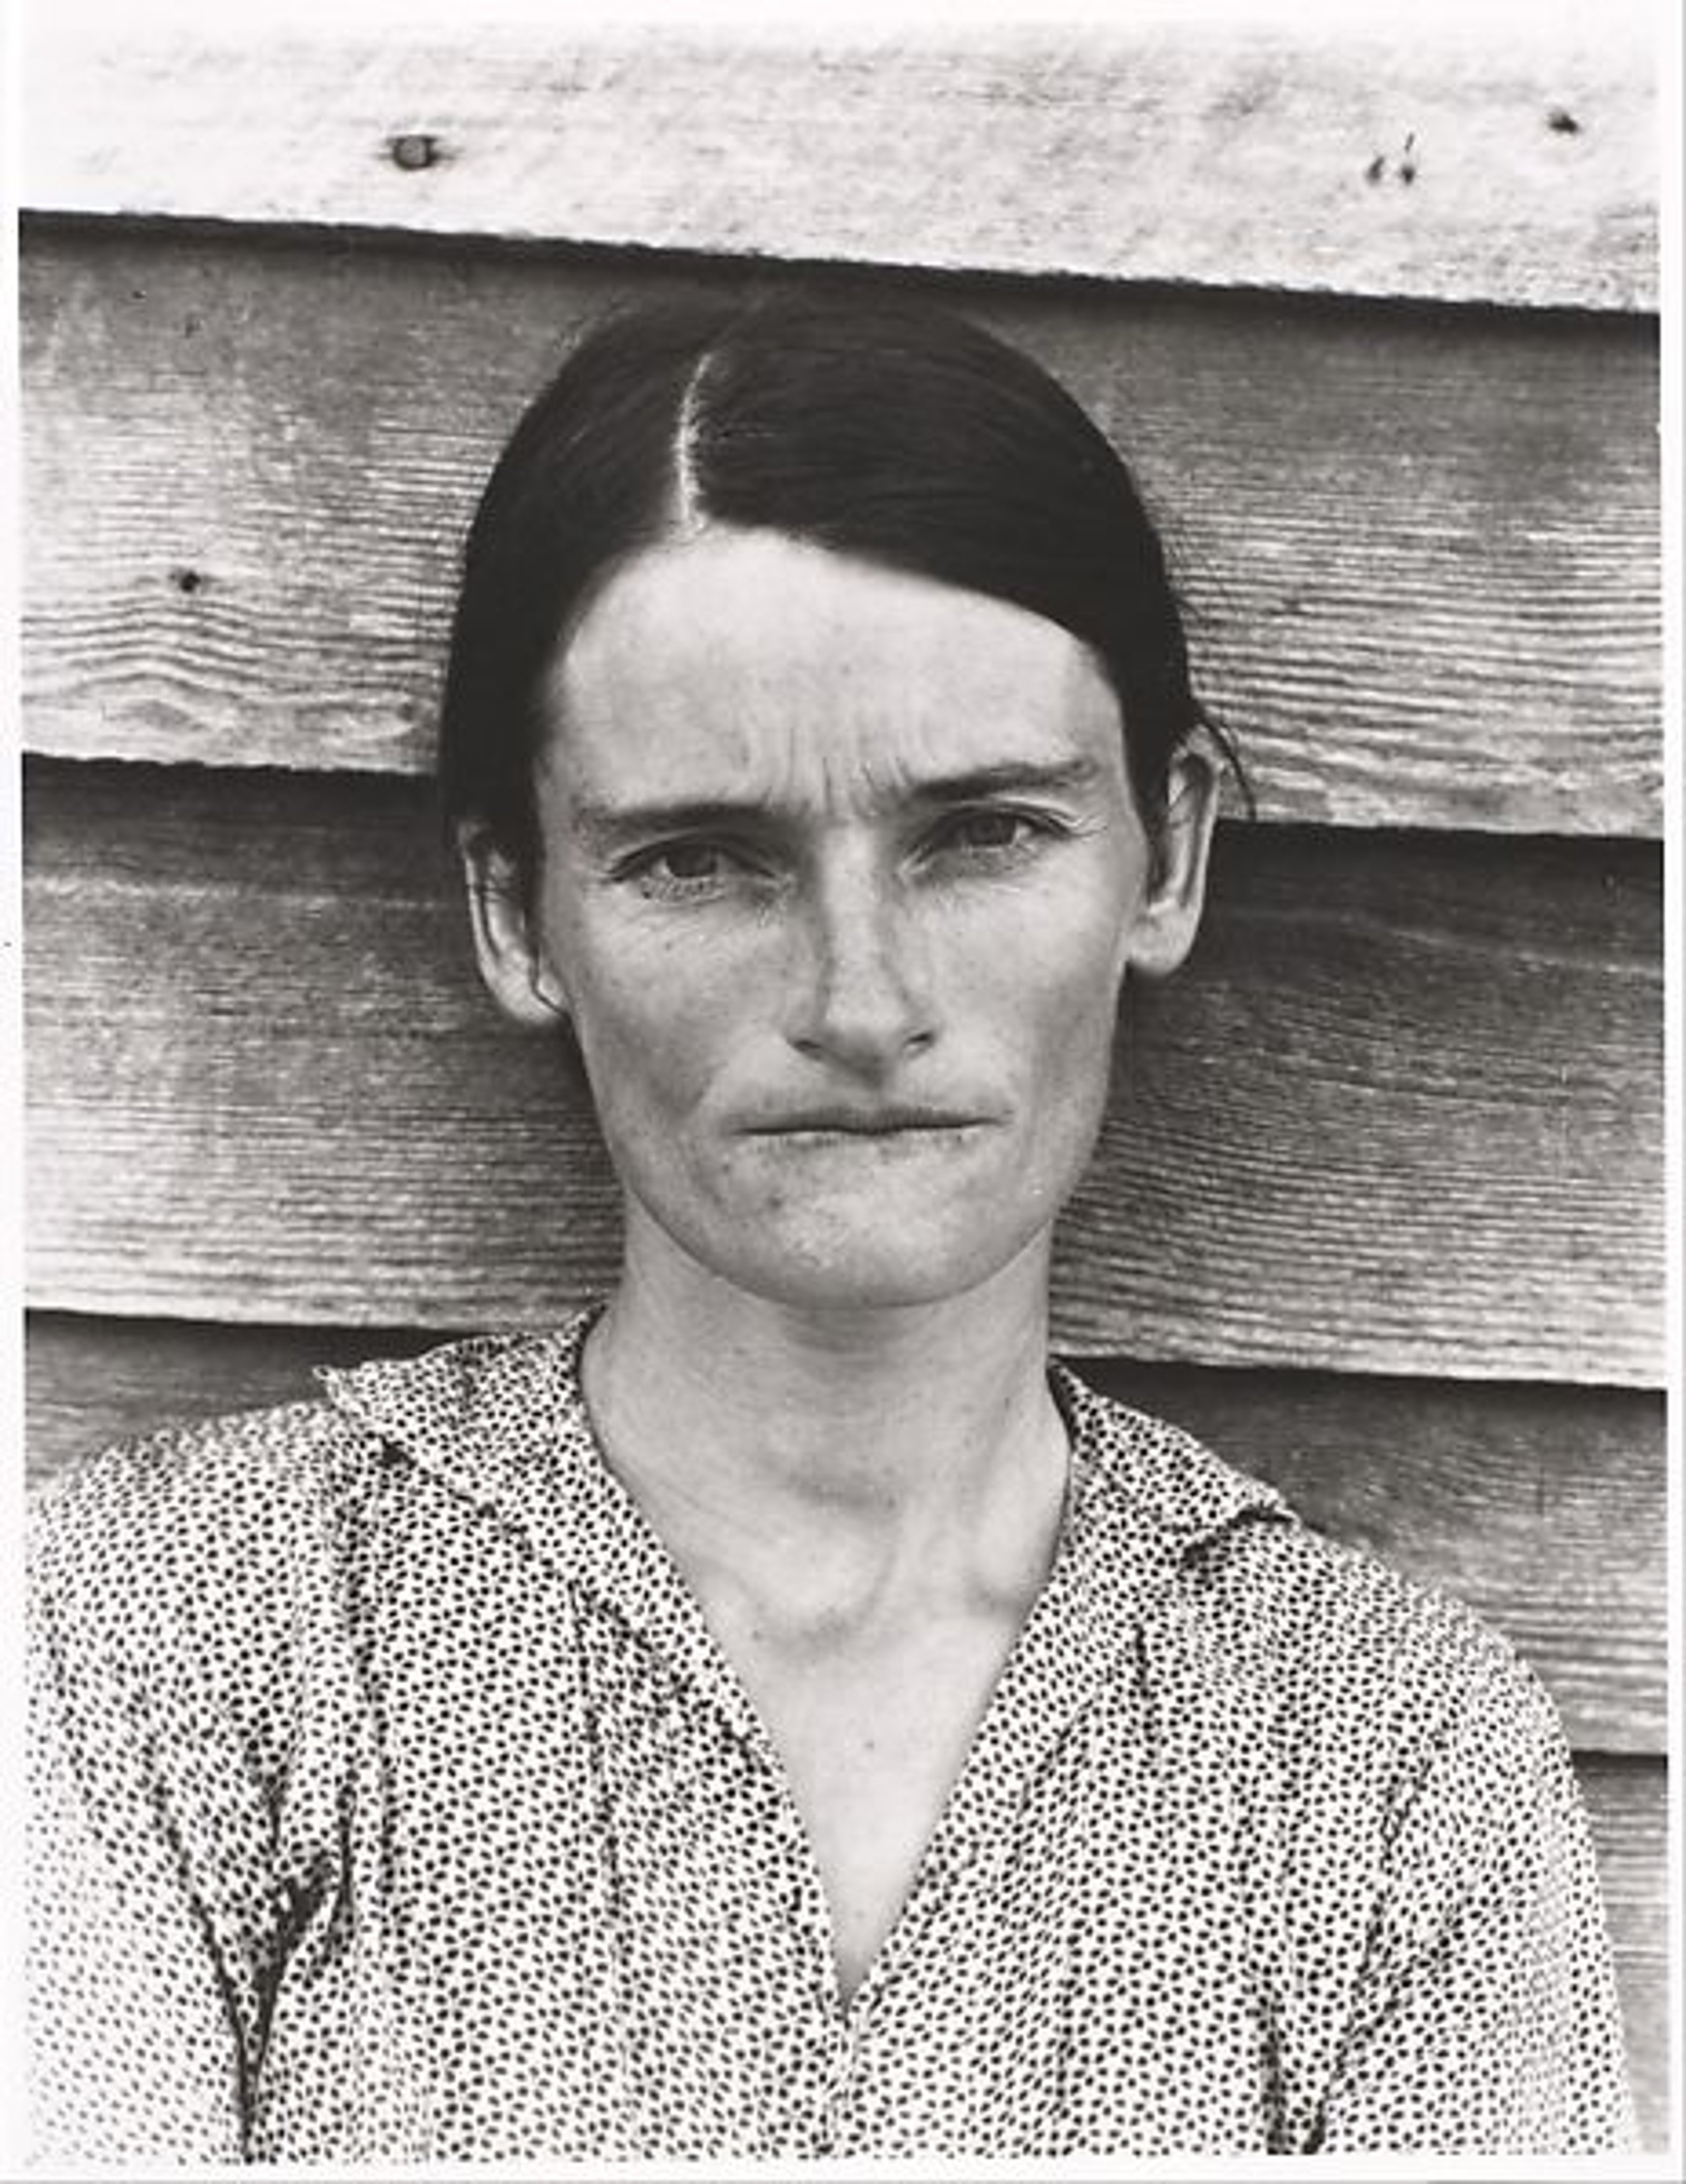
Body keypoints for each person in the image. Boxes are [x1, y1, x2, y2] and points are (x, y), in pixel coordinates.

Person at [26, 294, 1636, 2162]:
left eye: (986, 833)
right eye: (700, 858)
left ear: (1168, 852)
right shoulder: (144, 1643)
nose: (862, 1001)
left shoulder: (1385, 1755)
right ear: (518, 912)